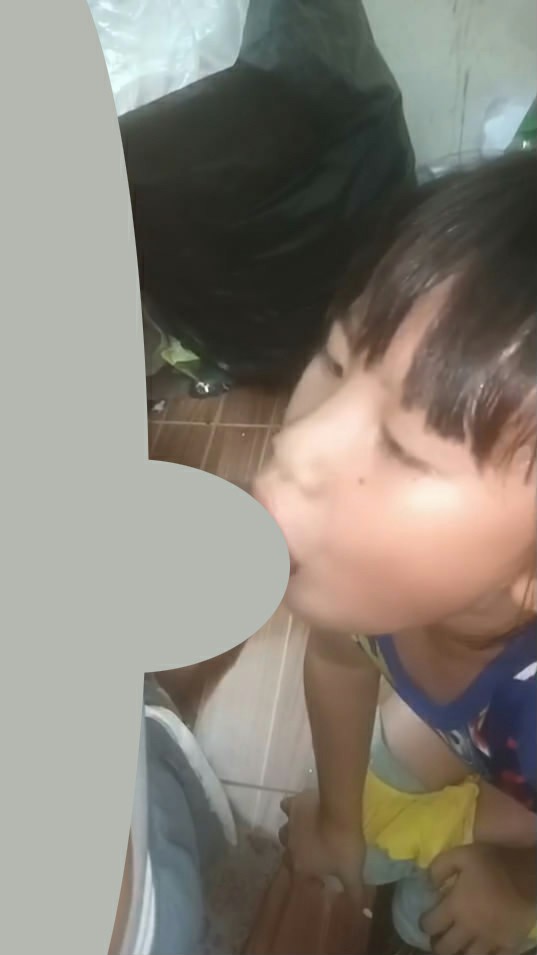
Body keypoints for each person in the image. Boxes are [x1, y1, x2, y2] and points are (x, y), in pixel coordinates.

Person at [253, 150, 537, 955]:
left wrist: (517, 890)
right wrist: (340, 821)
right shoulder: (369, 586)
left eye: (405, 449)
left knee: (434, 919)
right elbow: (340, 661)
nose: (296, 445)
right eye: (334, 362)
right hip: (480, 739)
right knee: (360, 829)